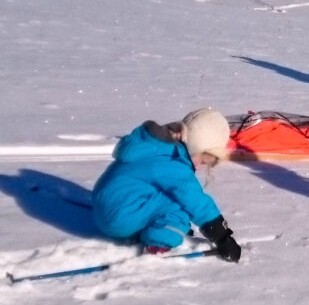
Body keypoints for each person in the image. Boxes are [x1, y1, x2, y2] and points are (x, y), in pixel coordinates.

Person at [92, 108, 242, 261]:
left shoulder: (157, 147)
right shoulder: (172, 160)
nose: (198, 167)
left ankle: (157, 226)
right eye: (202, 159)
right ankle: (157, 247)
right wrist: (222, 236)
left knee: (172, 197)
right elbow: (194, 199)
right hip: (121, 218)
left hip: (105, 207)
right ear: (196, 147)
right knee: (181, 208)